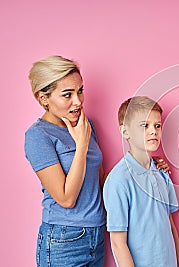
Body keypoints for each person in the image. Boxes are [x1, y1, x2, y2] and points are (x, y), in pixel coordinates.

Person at [24, 56, 170, 267]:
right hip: (64, 240)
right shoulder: (38, 136)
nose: (78, 101)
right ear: (43, 98)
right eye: (67, 95)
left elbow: (101, 181)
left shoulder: (86, 124)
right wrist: (81, 145)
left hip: (97, 233)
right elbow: (66, 198)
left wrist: (144, 163)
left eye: (80, 91)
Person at [103, 96, 179, 267]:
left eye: (157, 125)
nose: (153, 131)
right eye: (144, 126)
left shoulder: (162, 173)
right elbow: (118, 243)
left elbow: (171, 227)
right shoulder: (119, 180)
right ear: (125, 131)